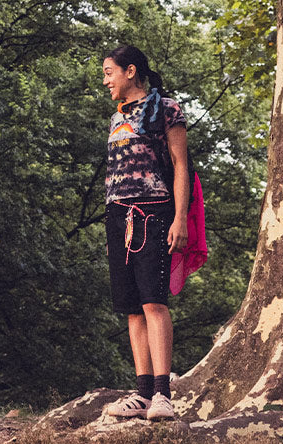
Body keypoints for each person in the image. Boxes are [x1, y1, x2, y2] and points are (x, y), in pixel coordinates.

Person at [93, 45, 194, 421]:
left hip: (154, 212)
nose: (105, 81)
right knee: (132, 309)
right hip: (117, 216)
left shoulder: (166, 109)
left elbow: (182, 167)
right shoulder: (116, 118)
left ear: (130, 70)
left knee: (154, 302)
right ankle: (141, 394)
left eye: (109, 72)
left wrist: (179, 218)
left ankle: (163, 394)